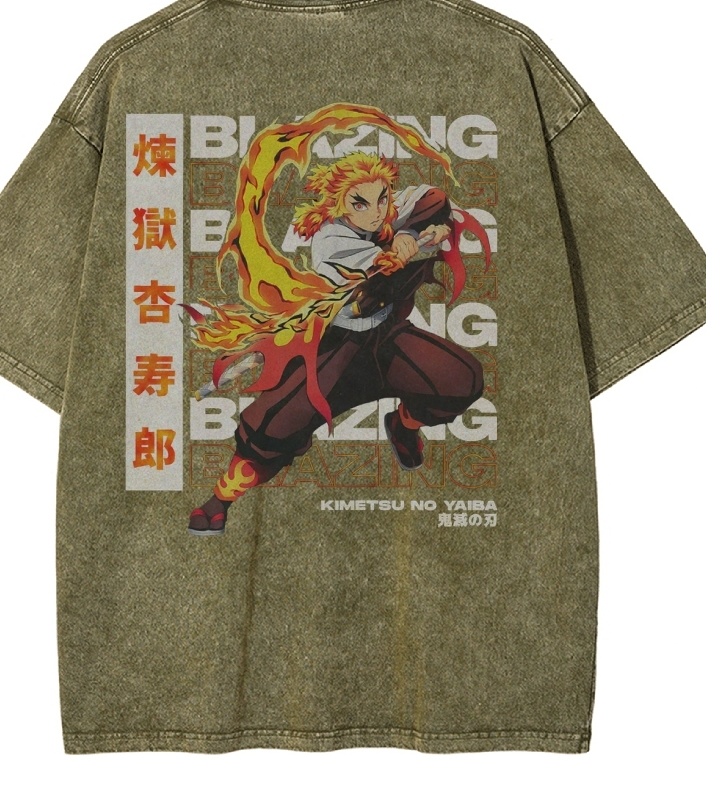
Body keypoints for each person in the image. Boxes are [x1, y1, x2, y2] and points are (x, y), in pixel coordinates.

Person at [188, 147, 487, 536]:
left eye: (383, 198)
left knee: (460, 379)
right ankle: (218, 501)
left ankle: (403, 426)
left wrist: (412, 230)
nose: (376, 212)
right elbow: (382, 266)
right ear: (337, 204)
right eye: (360, 203)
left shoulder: (385, 212)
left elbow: (432, 198)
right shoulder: (331, 239)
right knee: (271, 428)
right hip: (337, 348)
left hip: (384, 336)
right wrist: (415, 242)